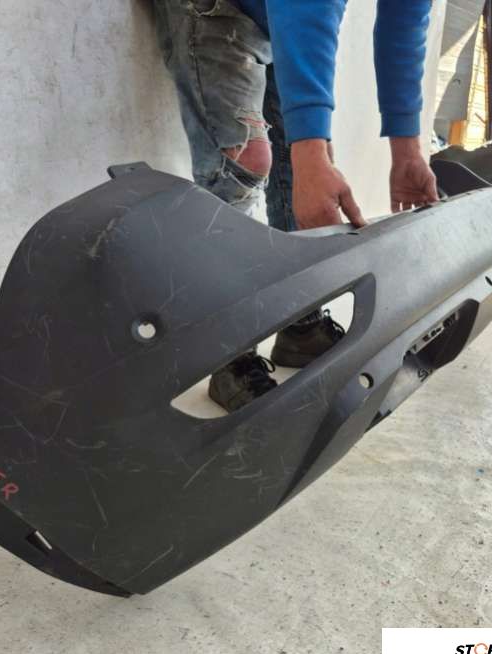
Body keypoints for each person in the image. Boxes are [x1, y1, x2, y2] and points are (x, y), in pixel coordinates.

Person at [154, 0, 439, 412]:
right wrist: (310, 151)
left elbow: (405, 23)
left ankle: (300, 324)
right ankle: (227, 353)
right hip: (219, 7)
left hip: (276, 17)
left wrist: (408, 151)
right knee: (246, 161)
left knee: (305, 161)